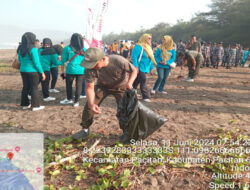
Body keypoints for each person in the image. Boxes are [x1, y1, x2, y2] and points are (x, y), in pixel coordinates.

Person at [71, 47, 137, 140]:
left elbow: (134, 70)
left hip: (121, 87)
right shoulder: (89, 68)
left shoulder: (118, 60)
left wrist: (130, 83)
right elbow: (89, 87)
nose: (91, 67)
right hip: (102, 86)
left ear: (103, 59)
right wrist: (91, 104)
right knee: (89, 107)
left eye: (93, 64)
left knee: (124, 109)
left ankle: (127, 132)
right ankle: (85, 130)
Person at [17, 32, 46, 111]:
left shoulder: (20, 48)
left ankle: (25, 104)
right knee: (34, 88)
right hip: (32, 71)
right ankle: (35, 106)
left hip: (23, 70)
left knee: (25, 87)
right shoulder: (33, 49)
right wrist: (42, 72)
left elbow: (19, 59)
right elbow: (36, 63)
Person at [60, 33, 86, 107]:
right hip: (81, 70)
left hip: (70, 70)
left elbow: (63, 61)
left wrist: (62, 71)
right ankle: (76, 102)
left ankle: (69, 99)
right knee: (79, 86)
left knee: (69, 85)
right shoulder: (83, 49)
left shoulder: (67, 48)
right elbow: (86, 60)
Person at [131, 33, 156, 102]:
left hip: (146, 67)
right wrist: (136, 67)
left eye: (151, 38)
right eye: (148, 38)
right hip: (140, 67)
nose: (150, 40)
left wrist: (151, 68)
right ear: (144, 38)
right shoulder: (138, 46)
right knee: (143, 80)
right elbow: (134, 56)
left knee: (137, 80)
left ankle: (132, 92)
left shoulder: (148, 47)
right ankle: (145, 96)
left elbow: (151, 58)